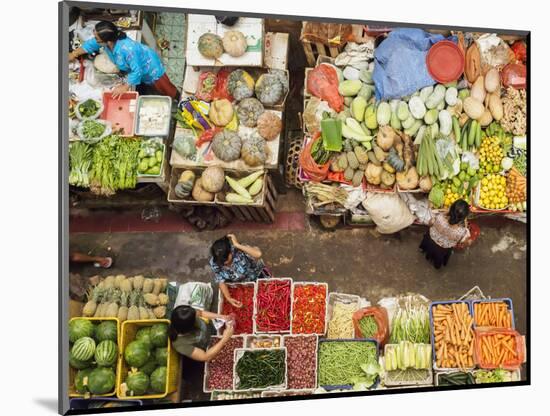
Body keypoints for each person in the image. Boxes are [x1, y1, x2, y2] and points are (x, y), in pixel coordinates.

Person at [68, 21, 179, 99]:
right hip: (138, 67)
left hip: (150, 68)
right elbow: (92, 44)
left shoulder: (127, 50)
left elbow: (137, 71)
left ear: (108, 42)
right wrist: (74, 53)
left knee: (165, 87)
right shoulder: (109, 41)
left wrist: (125, 86)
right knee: (147, 84)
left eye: (97, 38)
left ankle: (178, 99)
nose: (95, 39)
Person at [209, 234, 267, 308]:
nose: (224, 263)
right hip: (243, 283)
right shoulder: (214, 263)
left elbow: (258, 254)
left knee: (266, 291)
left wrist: (237, 245)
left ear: (230, 252)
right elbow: (220, 279)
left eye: (225, 260)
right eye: (220, 261)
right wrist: (228, 297)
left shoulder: (239, 251)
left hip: (257, 273)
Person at [169, 305, 234, 362]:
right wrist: (224, 339)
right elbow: (205, 356)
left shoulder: (187, 313)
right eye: (195, 319)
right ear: (190, 327)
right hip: (209, 347)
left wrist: (222, 317)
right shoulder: (179, 344)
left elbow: (201, 313)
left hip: (211, 331)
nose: (197, 316)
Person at [420, 199, 471, 269]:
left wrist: (445, 213)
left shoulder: (439, 217)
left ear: (450, 208)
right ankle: (437, 265)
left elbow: (430, 223)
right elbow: (465, 243)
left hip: (430, 240)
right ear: (463, 218)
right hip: (442, 249)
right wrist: (465, 226)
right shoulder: (462, 232)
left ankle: (424, 250)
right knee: (438, 257)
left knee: (429, 247)